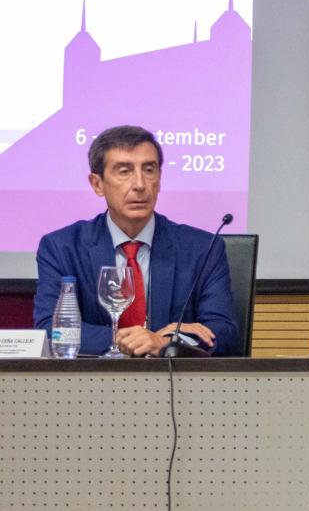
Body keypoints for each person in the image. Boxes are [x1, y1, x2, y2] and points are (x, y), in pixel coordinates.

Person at [34, 125, 239, 356]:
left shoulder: (203, 248)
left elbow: (224, 332)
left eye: (149, 170)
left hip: (175, 386)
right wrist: (135, 339)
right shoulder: (62, 247)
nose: (140, 184)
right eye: (124, 171)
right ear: (97, 184)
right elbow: (50, 329)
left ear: (159, 179)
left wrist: (166, 342)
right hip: (92, 385)